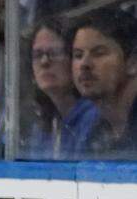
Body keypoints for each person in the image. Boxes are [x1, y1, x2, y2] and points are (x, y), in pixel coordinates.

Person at [67, 9, 137, 157]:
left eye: (99, 53)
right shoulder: (96, 132)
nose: (84, 64)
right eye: (78, 55)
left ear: (133, 63)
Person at [24, 19, 86, 158]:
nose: (44, 62)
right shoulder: (43, 124)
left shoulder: (92, 118)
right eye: (38, 55)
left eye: (55, 52)